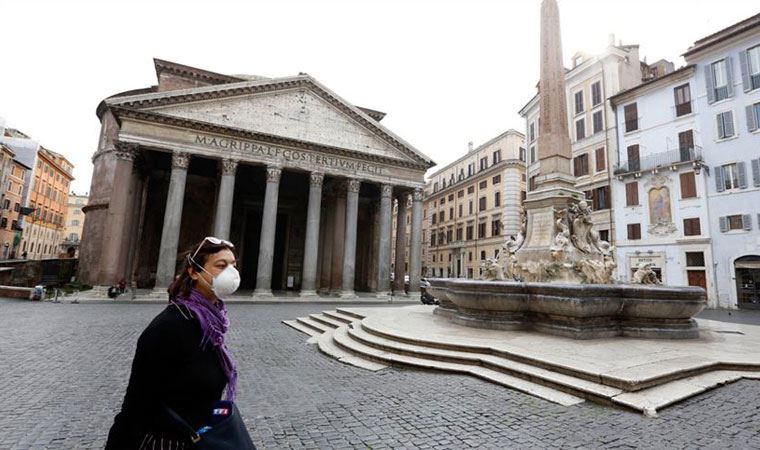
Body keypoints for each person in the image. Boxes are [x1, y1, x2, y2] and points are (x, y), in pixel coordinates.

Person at [105, 237, 241, 449]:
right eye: (221, 266)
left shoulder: (212, 326)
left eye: (233, 265)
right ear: (194, 272)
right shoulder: (169, 327)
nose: (231, 273)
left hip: (199, 439)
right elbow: (136, 405)